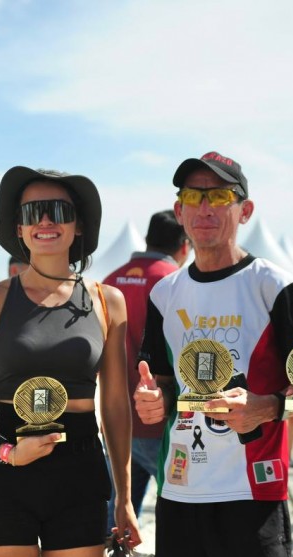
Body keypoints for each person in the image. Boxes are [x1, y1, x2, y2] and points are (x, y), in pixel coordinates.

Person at [133, 151, 293, 557]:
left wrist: (271, 408)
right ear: (179, 211)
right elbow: (158, 381)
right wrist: (152, 398)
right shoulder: (164, 292)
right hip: (180, 492)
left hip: (252, 494)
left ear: (245, 210)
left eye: (219, 196)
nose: (205, 208)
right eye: (193, 197)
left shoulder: (273, 284)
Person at [0, 166, 141, 557]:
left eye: (58, 211)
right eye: (34, 212)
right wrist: (4, 451)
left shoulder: (108, 301)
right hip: (6, 470)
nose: (45, 221)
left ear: (78, 226)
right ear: (18, 227)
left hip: (80, 473)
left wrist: (125, 498)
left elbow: (114, 407)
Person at [102, 210, 189, 526]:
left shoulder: (110, 281)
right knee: (180, 516)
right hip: (162, 422)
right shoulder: (175, 282)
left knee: (116, 520)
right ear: (184, 245)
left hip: (116, 422)